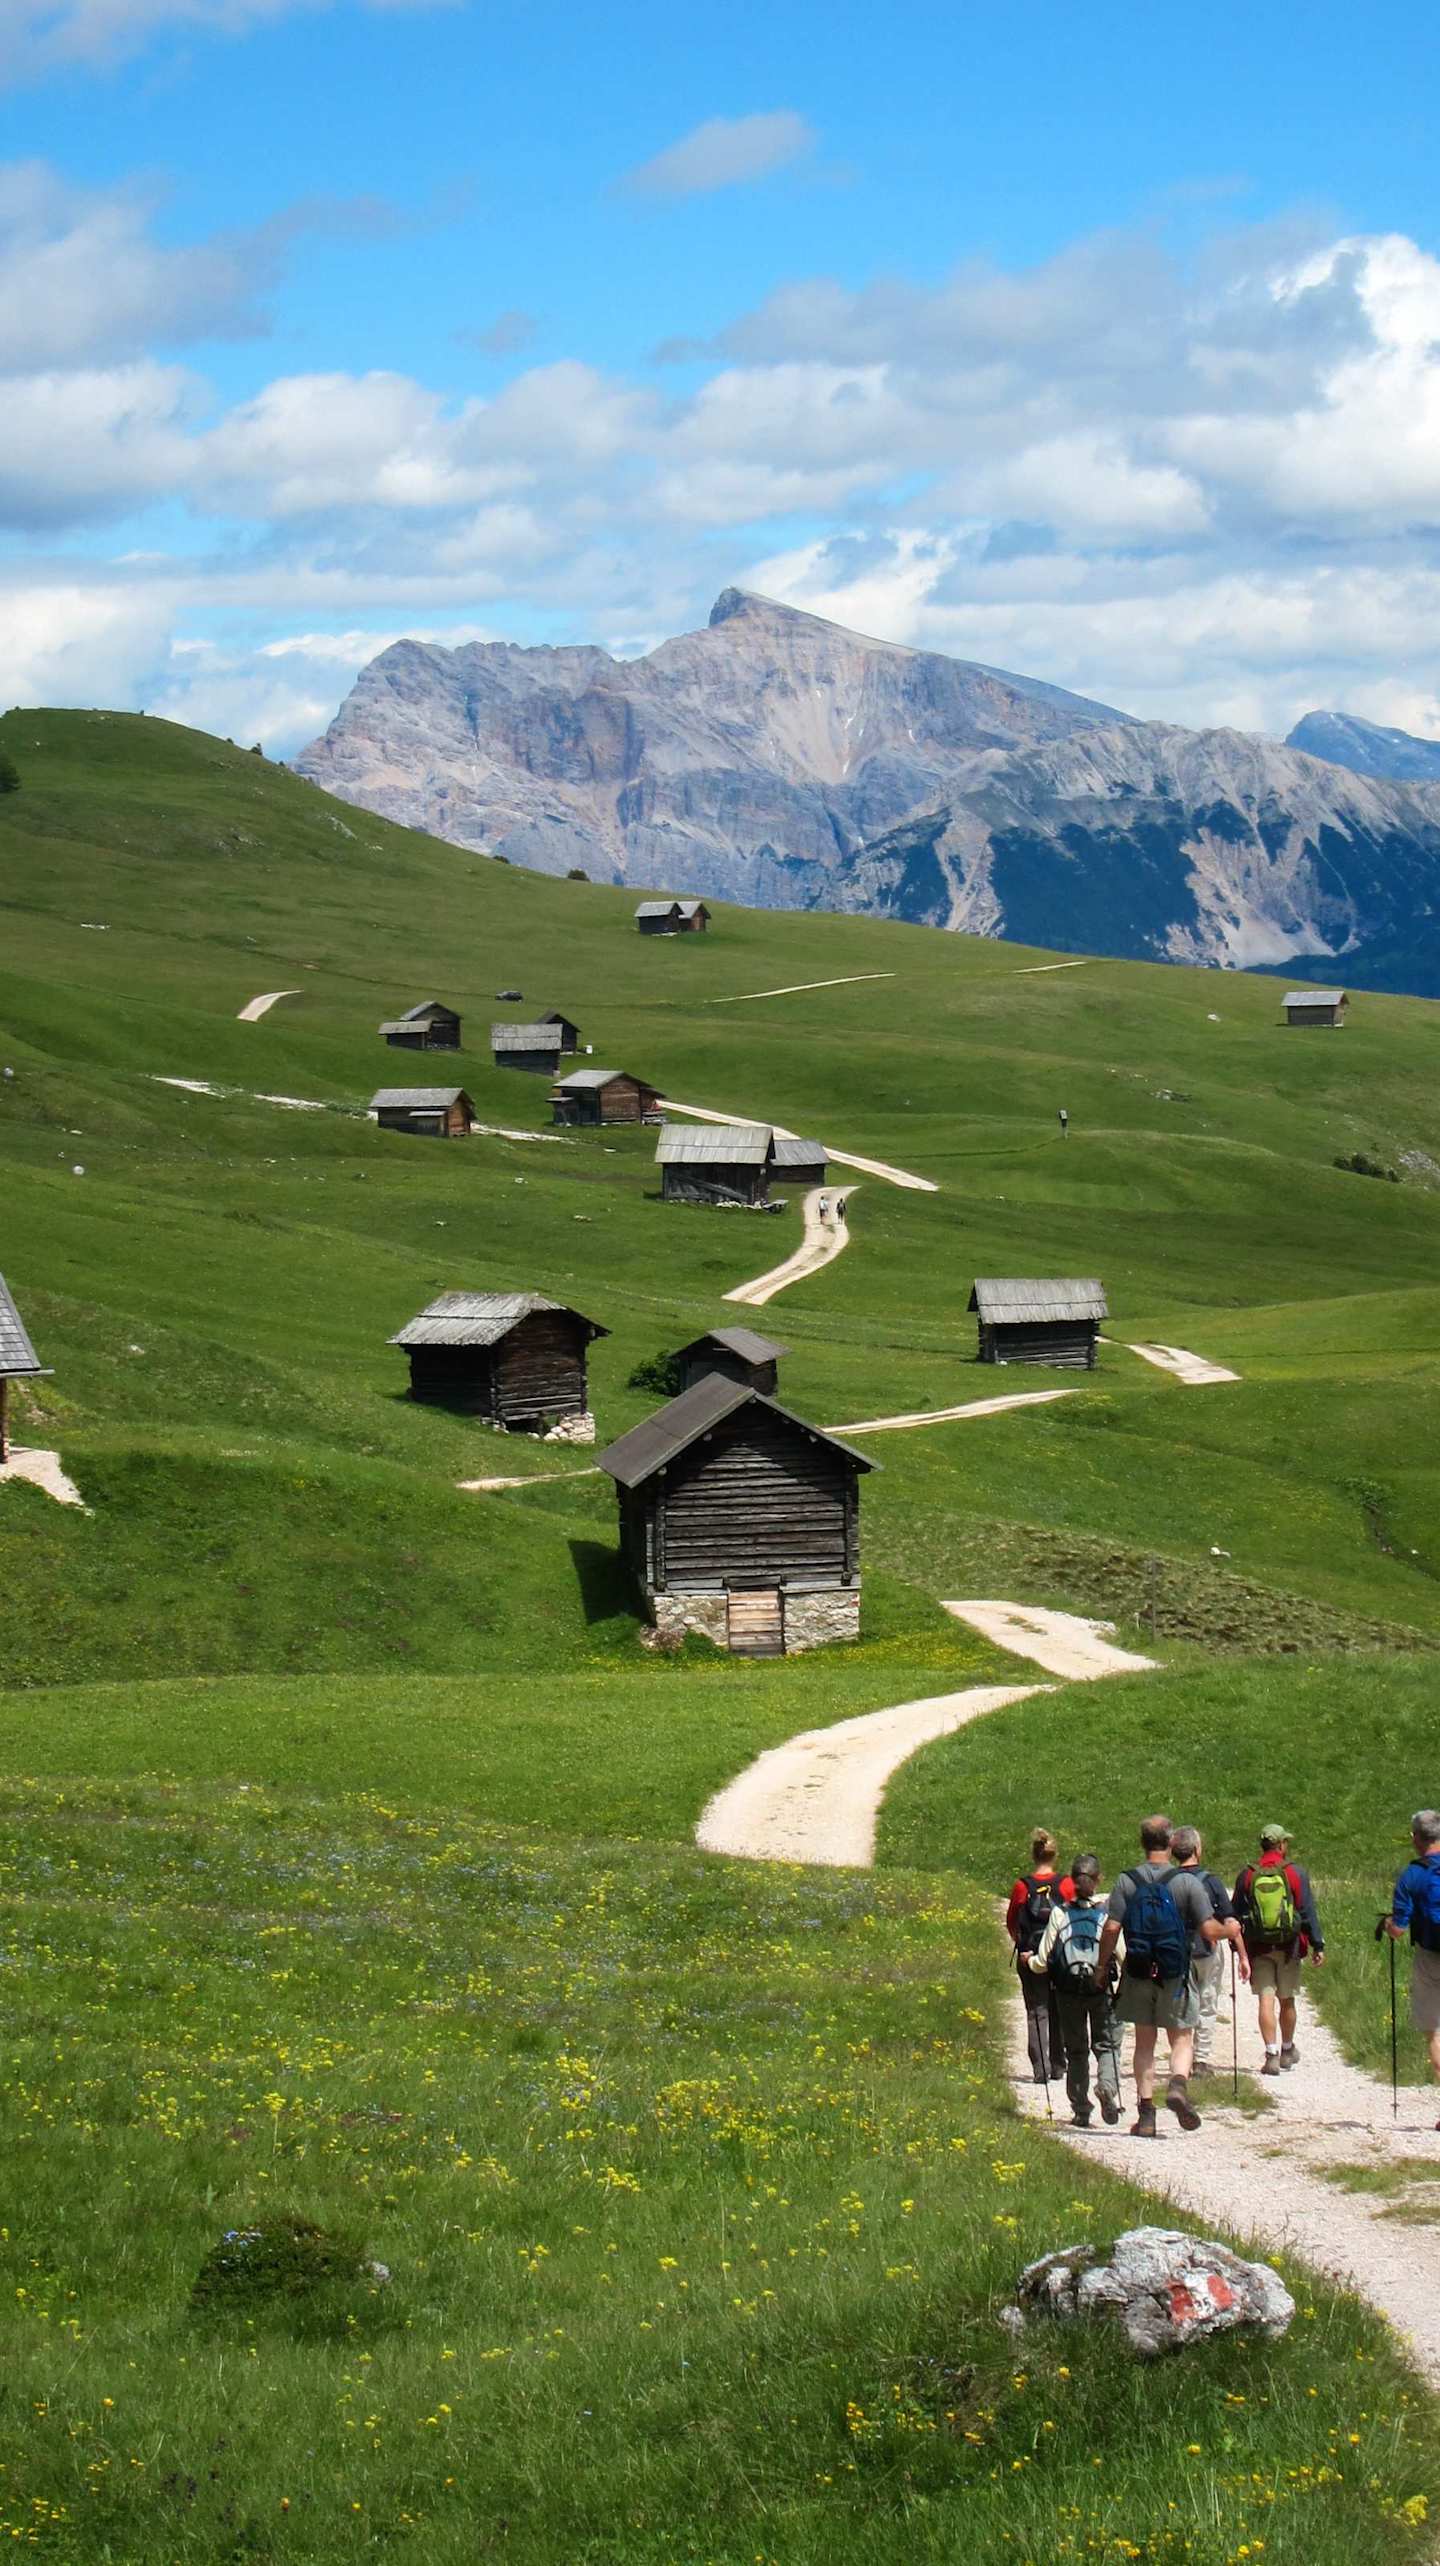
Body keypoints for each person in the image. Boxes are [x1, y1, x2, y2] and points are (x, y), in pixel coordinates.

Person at [1096, 1813, 1238, 2137]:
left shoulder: (1126, 1881)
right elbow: (1208, 1930)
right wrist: (1230, 1929)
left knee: (1144, 2042)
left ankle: (1146, 2116)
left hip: (1139, 1969)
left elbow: (1112, 1927)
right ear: (1172, 1842)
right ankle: (1177, 2085)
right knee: (1182, 2037)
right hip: (1175, 1971)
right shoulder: (1187, 1882)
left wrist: (1103, 1966)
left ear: (1142, 1842)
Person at [1026, 1851, 1121, 2127]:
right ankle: (1107, 2086)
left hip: (1067, 1991)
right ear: (1098, 1879)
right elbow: (1121, 1953)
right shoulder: (1106, 1915)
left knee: (1076, 2050)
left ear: (1072, 1881)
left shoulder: (1059, 1913)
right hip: (1099, 1988)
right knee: (1106, 2045)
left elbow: (1042, 1962)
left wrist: (1029, 1961)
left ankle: (1080, 2108)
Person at [1233, 1823, 1325, 2074]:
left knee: (1265, 1999)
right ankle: (1287, 2049)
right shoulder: (1295, 1873)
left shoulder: (1248, 1875)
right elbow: (1307, 1912)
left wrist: (1237, 1947)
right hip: (1289, 1947)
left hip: (1259, 1947)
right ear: (1282, 1845)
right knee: (1287, 2000)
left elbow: (1235, 1914)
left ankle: (1271, 2053)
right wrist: (1318, 1944)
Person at [1170, 1825, 1247, 2077]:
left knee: (1182, 2006)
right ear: (1197, 1850)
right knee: (1207, 2001)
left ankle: (1182, 2054)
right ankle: (1200, 2061)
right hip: (1208, 1949)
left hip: (1177, 1952)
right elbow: (1230, 1922)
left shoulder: (1168, 1881)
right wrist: (1243, 1955)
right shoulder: (1211, 1882)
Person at [1382, 1810, 1440, 2117]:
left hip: (1430, 1956)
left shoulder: (1412, 1875)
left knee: (1434, 2031)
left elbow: (1399, 1929)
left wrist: (1389, 1925)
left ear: (1416, 1838)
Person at [1005, 1829, 1074, 2085]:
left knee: (1037, 2009)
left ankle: (1040, 2068)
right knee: (1058, 2008)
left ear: (1033, 1855)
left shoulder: (1022, 1886)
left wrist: (1021, 1943)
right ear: (1055, 1855)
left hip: (1030, 1955)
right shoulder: (1065, 1884)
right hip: (1059, 1956)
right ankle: (1058, 2063)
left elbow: (1012, 1921)